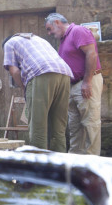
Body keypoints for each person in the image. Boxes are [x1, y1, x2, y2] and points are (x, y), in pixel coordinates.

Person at [2, 32, 73, 152]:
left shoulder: (9, 44)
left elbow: (14, 71)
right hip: (64, 73)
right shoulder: (39, 39)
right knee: (58, 129)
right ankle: (60, 167)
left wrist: (24, 87)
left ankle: (38, 166)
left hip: (41, 72)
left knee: (38, 128)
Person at [44, 12, 103, 155]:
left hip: (85, 81)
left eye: (49, 29)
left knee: (90, 123)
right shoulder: (65, 39)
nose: (49, 33)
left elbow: (91, 54)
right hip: (73, 85)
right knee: (75, 126)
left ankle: (91, 162)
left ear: (57, 22)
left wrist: (87, 82)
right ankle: (75, 160)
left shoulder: (77, 31)